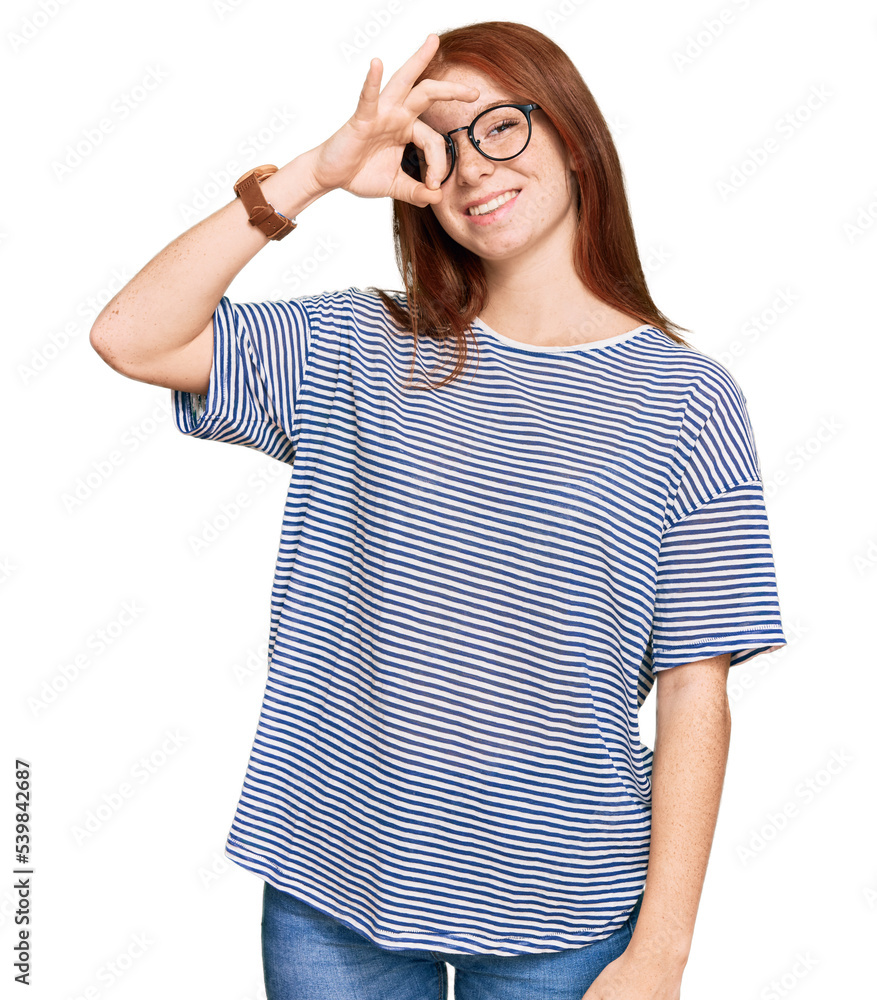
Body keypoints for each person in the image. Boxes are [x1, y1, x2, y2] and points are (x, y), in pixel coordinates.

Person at [89, 21, 787, 1000]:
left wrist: (659, 954)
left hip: (568, 899)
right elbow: (131, 336)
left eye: (497, 126)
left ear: (572, 134)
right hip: (335, 877)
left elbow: (693, 688)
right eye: (435, 149)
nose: (470, 168)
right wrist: (317, 172)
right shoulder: (356, 345)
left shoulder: (686, 401)